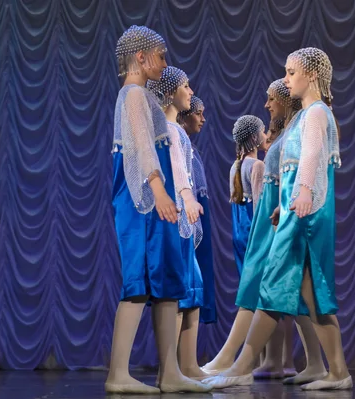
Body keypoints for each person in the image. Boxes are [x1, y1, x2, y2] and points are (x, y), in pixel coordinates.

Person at [203, 48, 352, 391]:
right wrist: (285, 204)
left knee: (273, 287)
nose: (286, 80)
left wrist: (299, 194)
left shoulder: (315, 112)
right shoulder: (307, 115)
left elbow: (312, 156)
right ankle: (338, 372)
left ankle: (240, 365)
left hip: (306, 213)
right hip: (299, 209)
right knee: (312, 295)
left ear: (311, 75)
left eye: (290, 72)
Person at [106, 25, 209, 394]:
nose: (165, 65)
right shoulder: (133, 93)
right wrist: (159, 189)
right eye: (161, 57)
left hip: (155, 196)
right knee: (137, 281)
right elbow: (141, 148)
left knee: (165, 281)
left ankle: (170, 372)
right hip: (140, 197)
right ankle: (118, 373)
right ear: (141, 57)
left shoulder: (144, 97)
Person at [148, 68, 210, 382]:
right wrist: (187, 199)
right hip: (177, 218)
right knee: (178, 288)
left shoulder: (173, 129)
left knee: (190, 288)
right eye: (186, 85)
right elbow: (177, 172)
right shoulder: (171, 130)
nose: (190, 90)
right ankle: (171, 368)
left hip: (180, 219)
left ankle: (185, 365)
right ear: (171, 92)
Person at [179, 96, 216, 325]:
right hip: (187, 218)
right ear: (184, 115)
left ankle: (188, 359)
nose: (203, 119)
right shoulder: (180, 145)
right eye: (198, 113)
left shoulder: (192, 149)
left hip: (199, 217)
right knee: (188, 279)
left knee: (198, 280)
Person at [229, 115, 267, 277]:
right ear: (254, 137)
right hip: (253, 230)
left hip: (239, 232)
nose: (266, 136)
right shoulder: (257, 165)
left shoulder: (234, 166)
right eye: (263, 132)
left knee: (246, 280)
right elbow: (260, 205)